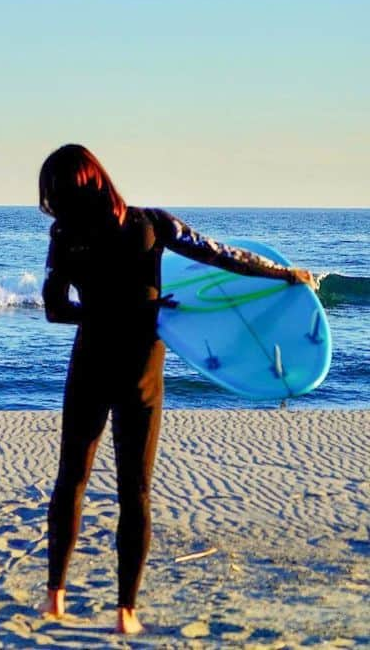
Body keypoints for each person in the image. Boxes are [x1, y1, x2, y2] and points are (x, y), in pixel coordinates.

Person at [37, 143, 316, 636]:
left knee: (71, 480)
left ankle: (54, 599)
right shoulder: (151, 224)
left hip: (90, 365)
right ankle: (126, 613)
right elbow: (220, 256)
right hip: (140, 370)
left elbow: (55, 308)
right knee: (135, 491)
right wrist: (282, 275)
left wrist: (99, 313)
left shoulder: (65, 235)